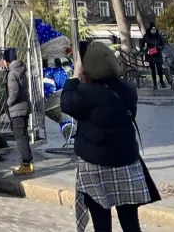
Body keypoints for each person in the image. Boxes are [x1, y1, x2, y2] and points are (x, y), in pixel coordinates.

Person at [60, 40, 160, 232]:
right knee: (131, 223)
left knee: (102, 224)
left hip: (96, 166)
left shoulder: (87, 93)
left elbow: (66, 103)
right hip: (127, 162)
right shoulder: (128, 89)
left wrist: (75, 75)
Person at [3, 48, 34, 174]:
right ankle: (27, 162)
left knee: (20, 137)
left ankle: (26, 164)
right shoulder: (21, 70)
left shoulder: (11, 74)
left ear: (7, 61)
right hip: (24, 107)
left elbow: (14, 92)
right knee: (24, 136)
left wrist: (8, 103)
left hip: (17, 110)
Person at [141, 24, 164, 90]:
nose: (154, 31)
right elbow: (142, 44)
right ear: (150, 30)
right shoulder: (146, 36)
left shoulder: (158, 36)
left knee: (159, 68)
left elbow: (162, 44)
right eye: (152, 29)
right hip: (150, 54)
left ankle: (161, 81)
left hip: (158, 54)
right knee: (153, 69)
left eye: (154, 29)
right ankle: (155, 84)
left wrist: (160, 47)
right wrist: (144, 50)